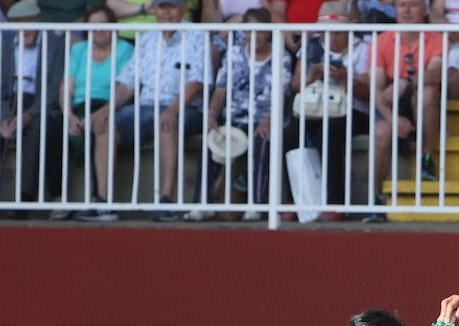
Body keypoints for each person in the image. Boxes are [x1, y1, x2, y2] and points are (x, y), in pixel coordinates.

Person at [91, 0, 210, 220]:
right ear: (154, 10)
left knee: (167, 123)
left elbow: (195, 84)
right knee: (105, 125)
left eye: (172, 7)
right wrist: (106, 109)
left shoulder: (197, 36)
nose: (167, 13)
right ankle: (103, 202)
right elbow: (127, 84)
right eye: (162, 7)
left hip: (185, 107)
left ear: (184, 9)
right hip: (146, 106)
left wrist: (172, 110)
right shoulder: (147, 39)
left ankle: (166, 201)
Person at [0, 0, 67, 214]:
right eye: (17, 23)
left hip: (38, 105)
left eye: (28, 22)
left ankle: (24, 199)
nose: (23, 28)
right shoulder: (5, 45)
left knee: (37, 131)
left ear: (38, 21)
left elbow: (54, 89)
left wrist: (28, 115)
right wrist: (3, 119)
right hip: (9, 103)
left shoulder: (56, 44)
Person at [192, 8, 291, 217]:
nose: (253, 36)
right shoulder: (234, 53)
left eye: (258, 31)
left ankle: (257, 205)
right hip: (233, 117)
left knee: (261, 140)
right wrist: (211, 114)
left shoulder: (281, 56)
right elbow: (220, 90)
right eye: (248, 31)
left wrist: (269, 120)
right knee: (210, 139)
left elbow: (281, 95)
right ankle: (202, 204)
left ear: (268, 32)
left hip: (265, 118)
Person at [365, 0, 445, 219]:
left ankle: (427, 161)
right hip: (391, 105)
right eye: (401, 5)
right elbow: (376, 88)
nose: (407, 10)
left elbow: (435, 74)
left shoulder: (436, 38)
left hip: (423, 104)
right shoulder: (381, 40)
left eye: (413, 4)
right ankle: (376, 199)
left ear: (425, 10)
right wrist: (393, 119)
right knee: (380, 132)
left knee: (426, 93)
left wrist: (406, 81)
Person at [291, 2, 371, 217]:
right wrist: (310, 77)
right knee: (291, 131)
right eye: (326, 31)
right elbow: (295, 86)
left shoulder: (362, 48)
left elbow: (368, 94)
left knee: (329, 132)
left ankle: (335, 202)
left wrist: (345, 79)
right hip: (314, 108)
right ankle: (293, 200)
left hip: (353, 111)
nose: (331, 37)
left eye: (337, 32)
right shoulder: (311, 46)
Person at [64, 5, 135, 220]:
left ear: (113, 26)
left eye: (104, 25)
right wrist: (68, 114)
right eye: (93, 25)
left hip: (108, 104)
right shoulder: (79, 49)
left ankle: (100, 200)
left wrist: (101, 112)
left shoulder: (125, 48)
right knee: (52, 124)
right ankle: (60, 200)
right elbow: (66, 86)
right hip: (78, 105)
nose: (99, 30)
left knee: (99, 126)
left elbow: (125, 88)